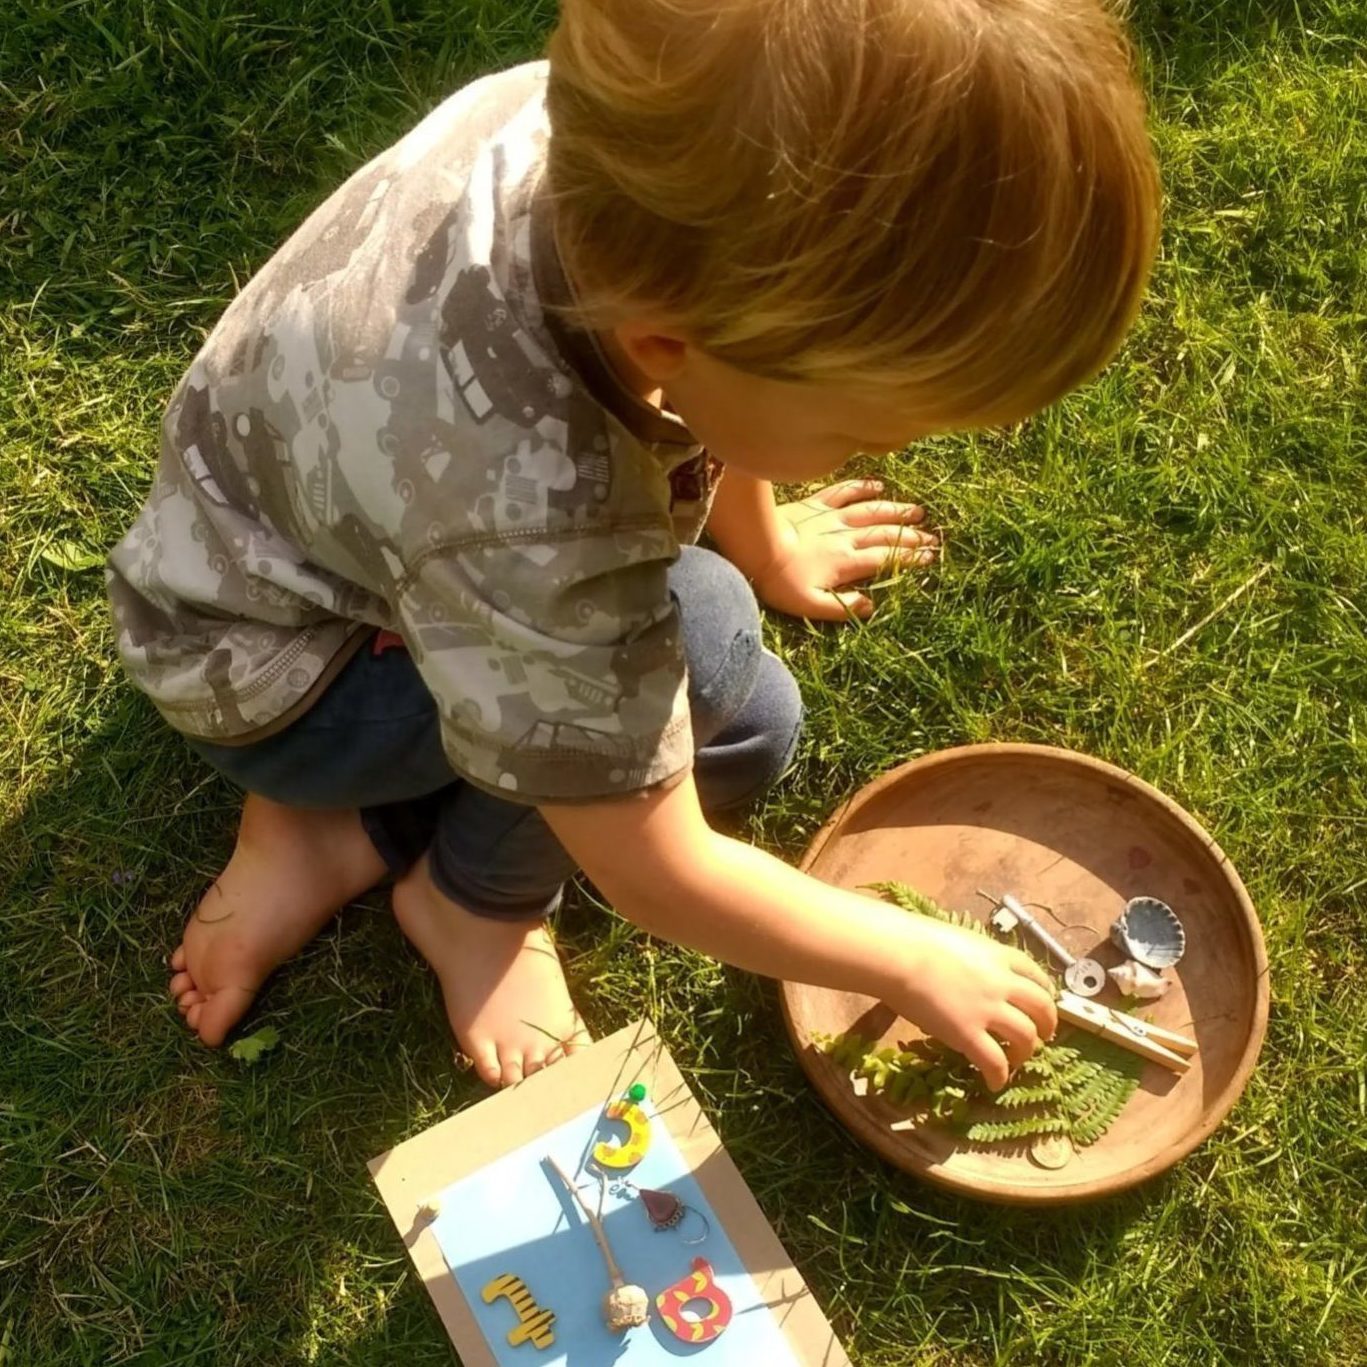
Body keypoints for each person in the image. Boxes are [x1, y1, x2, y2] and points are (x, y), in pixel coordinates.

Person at [107, 0, 1158, 1091]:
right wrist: (906, 951)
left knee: (748, 724)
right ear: (669, 339)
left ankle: (333, 832)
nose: (888, 450)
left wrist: (758, 532)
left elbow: (730, 357)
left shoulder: (616, 158)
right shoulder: (534, 511)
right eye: (857, 429)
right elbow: (655, 873)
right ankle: (467, 903)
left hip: (273, 557)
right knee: (701, 641)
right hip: (279, 673)